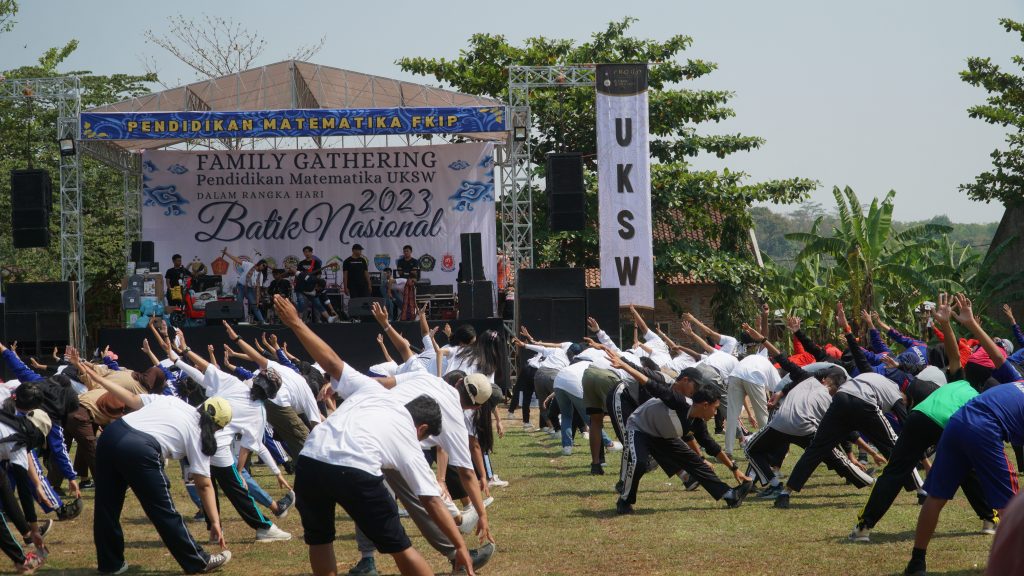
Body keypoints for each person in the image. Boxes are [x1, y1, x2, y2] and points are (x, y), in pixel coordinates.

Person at [270, 294, 476, 576]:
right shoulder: (408, 437)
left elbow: (331, 362)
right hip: (354, 468)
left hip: (310, 459)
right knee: (400, 547)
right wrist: (459, 545)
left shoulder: (372, 388)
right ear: (422, 429)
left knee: (320, 540)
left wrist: (296, 323)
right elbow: (431, 500)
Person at [84, 361, 233, 574]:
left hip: (110, 435)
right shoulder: (200, 435)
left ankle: (111, 565)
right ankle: (199, 561)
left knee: (106, 507)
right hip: (140, 448)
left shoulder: (173, 401)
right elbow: (204, 485)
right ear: (218, 427)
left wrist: (99, 380)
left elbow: (132, 399)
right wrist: (215, 521)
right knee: (163, 511)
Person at [616, 369, 752, 514]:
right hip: (639, 428)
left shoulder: (698, 423)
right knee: (639, 462)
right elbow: (650, 383)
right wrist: (623, 365)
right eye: (715, 408)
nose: (716, 413)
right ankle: (624, 501)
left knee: (697, 463)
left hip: (662, 435)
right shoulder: (680, 402)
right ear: (705, 405)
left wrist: (734, 469)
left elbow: (712, 446)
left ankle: (730, 495)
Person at [221, 249, 268, 325]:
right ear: (260, 263)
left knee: (254, 305)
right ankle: (240, 321)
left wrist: (257, 299)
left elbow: (258, 288)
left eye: (265, 267)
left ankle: (262, 321)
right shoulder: (249, 265)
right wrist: (226, 253)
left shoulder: (261, 275)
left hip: (250, 289)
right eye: (263, 265)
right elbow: (237, 260)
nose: (264, 267)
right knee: (239, 304)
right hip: (241, 286)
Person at [294, 246, 327, 323]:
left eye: (308, 251)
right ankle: (303, 321)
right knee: (303, 304)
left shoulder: (316, 263)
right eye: (305, 252)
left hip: (312, 287)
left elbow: (319, 274)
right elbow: (297, 274)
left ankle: (318, 321)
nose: (307, 253)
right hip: (303, 287)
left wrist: (314, 282)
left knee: (316, 304)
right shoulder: (301, 263)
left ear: (311, 252)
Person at [395, 245, 419, 320]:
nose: (406, 252)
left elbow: (414, 272)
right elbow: (400, 273)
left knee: (412, 301)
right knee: (401, 299)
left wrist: (405, 272)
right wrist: (409, 272)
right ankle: (402, 316)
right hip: (402, 282)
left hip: (411, 282)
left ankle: (413, 316)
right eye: (404, 251)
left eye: (407, 251)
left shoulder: (415, 261)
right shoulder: (400, 261)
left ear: (411, 252)